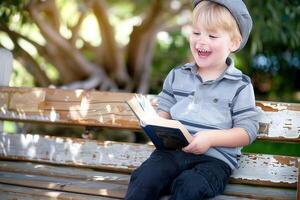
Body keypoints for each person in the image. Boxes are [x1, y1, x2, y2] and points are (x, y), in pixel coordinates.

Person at [125, 0, 260, 199]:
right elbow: (165, 111)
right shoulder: (177, 75)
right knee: (145, 178)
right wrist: (156, 126)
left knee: (189, 187)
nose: (201, 41)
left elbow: (247, 131)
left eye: (212, 35)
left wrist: (210, 138)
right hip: (172, 154)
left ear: (234, 42)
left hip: (214, 162)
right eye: (196, 32)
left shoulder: (240, 85)